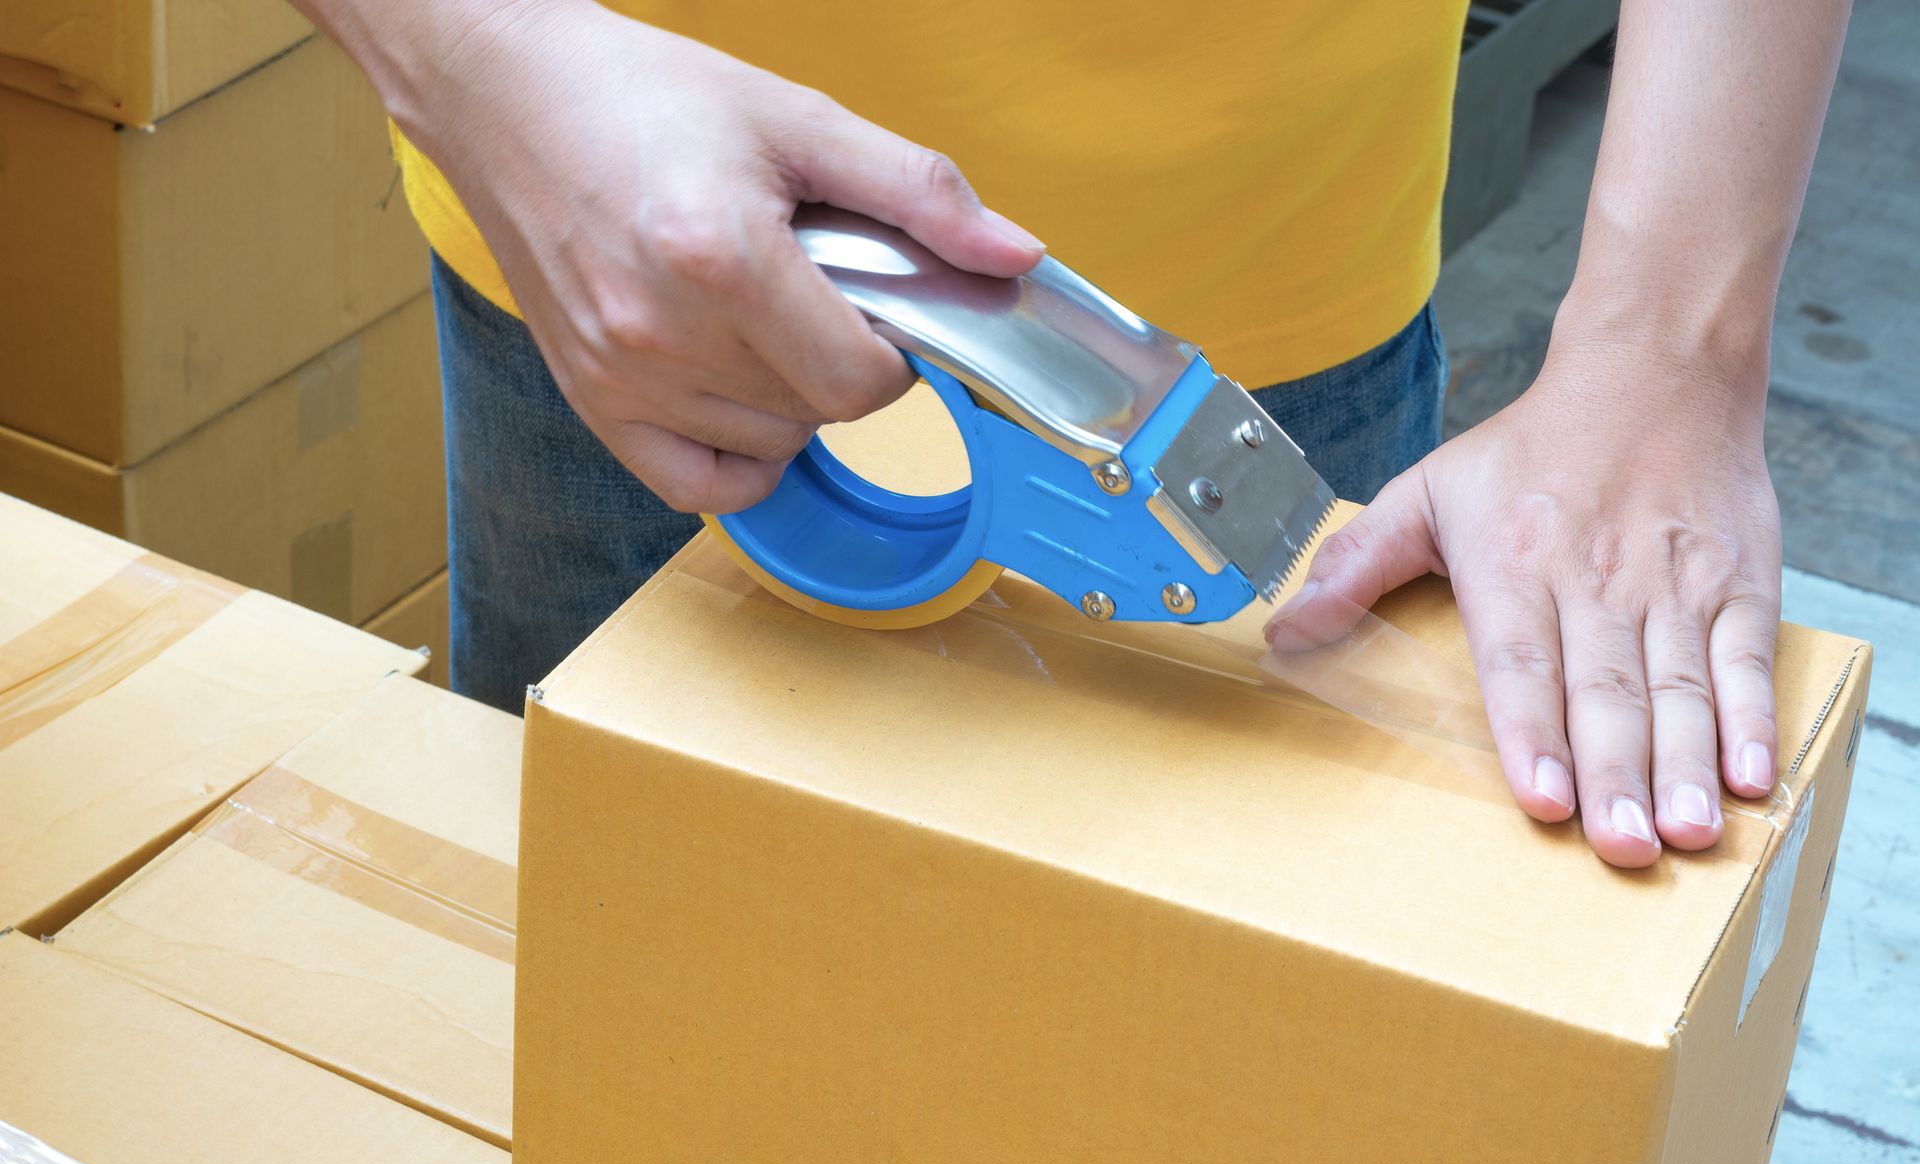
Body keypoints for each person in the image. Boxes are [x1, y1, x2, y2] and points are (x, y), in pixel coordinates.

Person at [289, 0, 1849, 867]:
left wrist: (1672, 346)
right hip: (622, 249)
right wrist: (461, 51)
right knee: (596, 1002)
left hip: (1274, 315)